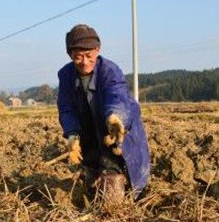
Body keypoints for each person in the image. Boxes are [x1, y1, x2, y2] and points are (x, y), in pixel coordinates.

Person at [57, 24, 150, 203]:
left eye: (89, 56)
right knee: (91, 159)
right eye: (78, 57)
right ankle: (93, 194)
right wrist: (72, 133)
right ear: (70, 55)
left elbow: (117, 96)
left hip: (113, 126)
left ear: (97, 50)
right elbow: (66, 107)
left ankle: (113, 208)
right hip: (88, 126)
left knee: (113, 161)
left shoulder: (110, 71)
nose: (84, 62)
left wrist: (115, 117)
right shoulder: (65, 75)